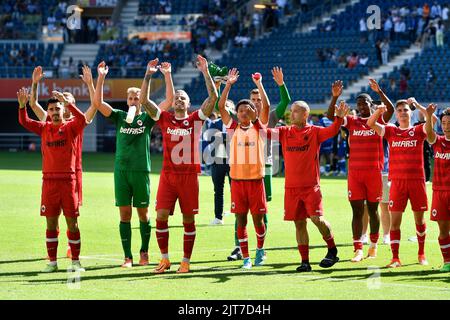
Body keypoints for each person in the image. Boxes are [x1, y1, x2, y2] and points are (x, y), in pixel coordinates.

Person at [140, 55, 218, 274]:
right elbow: (144, 101)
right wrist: (147, 75)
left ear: (188, 103)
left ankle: (185, 261)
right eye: (176, 97)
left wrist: (205, 72)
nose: (178, 100)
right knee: (161, 216)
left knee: (188, 219)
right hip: (168, 176)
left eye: (182, 98)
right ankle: (164, 259)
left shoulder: (196, 119)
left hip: (188, 177)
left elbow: (213, 97)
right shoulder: (164, 118)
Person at [93, 59, 174, 268]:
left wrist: (166, 75)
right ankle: (127, 257)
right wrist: (101, 77)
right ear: (127, 100)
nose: (133, 100)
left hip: (140, 170)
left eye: (136, 97)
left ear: (141, 100)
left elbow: (169, 101)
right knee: (124, 214)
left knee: (144, 214)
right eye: (130, 98)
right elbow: (98, 104)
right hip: (121, 171)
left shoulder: (147, 118)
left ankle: (144, 252)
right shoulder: (119, 117)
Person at [268, 100, 349, 272]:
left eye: (296, 111)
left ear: (305, 114)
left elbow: (333, 130)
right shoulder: (284, 132)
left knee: (316, 219)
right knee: (299, 224)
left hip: (311, 187)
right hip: (291, 188)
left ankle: (332, 249)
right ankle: (305, 262)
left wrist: (339, 119)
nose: (292, 114)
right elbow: (264, 132)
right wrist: (254, 119)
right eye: (291, 110)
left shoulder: (314, 132)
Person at [29, 65, 97, 259]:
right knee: (53, 215)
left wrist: (90, 84)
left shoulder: (78, 121)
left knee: (72, 217)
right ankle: (54, 248)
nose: (62, 103)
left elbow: (94, 104)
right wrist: (35, 83)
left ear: (72, 103)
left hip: (73, 174)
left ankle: (70, 246)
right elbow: (33, 105)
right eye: (60, 100)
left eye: (67, 101)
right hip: (54, 174)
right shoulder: (50, 120)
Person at [18, 87, 87, 273]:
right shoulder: (44, 128)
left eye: (58, 109)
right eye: (51, 110)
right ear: (47, 112)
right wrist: (22, 106)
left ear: (62, 110)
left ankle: (75, 262)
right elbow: (24, 120)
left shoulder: (71, 127)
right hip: (49, 182)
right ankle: (52, 262)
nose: (55, 112)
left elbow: (83, 120)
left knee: (72, 222)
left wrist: (69, 104)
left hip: (68, 182)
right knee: (50, 223)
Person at [227, 67, 291, 261]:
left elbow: (286, 101)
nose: (254, 103)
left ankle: (261, 249)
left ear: (262, 102)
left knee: (262, 210)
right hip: (240, 169)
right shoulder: (242, 116)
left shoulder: (271, 116)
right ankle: (239, 248)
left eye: (258, 100)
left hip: (265, 166)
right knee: (240, 211)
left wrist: (279, 84)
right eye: (252, 100)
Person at [367, 98, 438, 268]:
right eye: (399, 110)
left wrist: (421, 107)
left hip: (417, 181)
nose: (402, 113)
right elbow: (371, 123)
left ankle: (421, 254)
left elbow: (432, 122)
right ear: (396, 115)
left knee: (419, 220)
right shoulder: (391, 130)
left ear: (410, 113)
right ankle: (395, 258)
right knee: (395, 221)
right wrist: (379, 111)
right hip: (397, 182)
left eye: (405, 110)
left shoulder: (418, 130)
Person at [330, 79, 394, 262]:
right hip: (355, 174)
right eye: (358, 105)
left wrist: (379, 91)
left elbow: (390, 109)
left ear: (370, 105)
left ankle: (373, 246)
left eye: (364, 104)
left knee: (373, 210)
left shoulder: (378, 119)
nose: (361, 107)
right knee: (357, 211)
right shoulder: (351, 121)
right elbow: (330, 116)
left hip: (374, 172)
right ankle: (358, 248)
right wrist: (335, 98)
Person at [217, 68, 268, 269]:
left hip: (256, 182)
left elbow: (267, 105)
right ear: (236, 114)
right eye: (240, 111)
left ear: (254, 113)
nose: (244, 112)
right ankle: (246, 257)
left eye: (248, 110)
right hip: (237, 183)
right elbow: (221, 106)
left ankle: (260, 251)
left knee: (258, 221)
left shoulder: (259, 127)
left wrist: (259, 84)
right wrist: (228, 84)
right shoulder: (232, 127)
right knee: (241, 221)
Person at [425, 106, 450, 272]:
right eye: (444, 122)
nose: (446, 125)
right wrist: (428, 115)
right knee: (443, 229)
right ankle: (447, 261)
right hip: (439, 192)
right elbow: (428, 132)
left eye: (449, 122)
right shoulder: (438, 141)